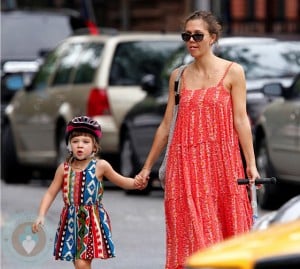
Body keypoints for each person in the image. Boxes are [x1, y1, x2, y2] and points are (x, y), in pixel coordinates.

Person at [137, 10, 260, 269]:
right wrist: (147, 167)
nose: (191, 41)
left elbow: (241, 121)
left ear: (213, 38)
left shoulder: (233, 72)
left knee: (228, 235)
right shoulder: (178, 77)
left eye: (197, 35)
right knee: (191, 236)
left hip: (223, 165)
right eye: (186, 36)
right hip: (185, 169)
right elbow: (166, 124)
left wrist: (251, 164)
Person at [32, 116, 145, 269]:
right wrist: (41, 214)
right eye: (75, 141)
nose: (80, 146)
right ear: (69, 145)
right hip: (70, 221)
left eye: (85, 142)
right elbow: (50, 193)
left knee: (81, 263)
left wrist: (137, 183)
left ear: (95, 147)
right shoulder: (63, 169)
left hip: (91, 220)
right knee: (77, 262)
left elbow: (122, 181)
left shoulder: (100, 166)